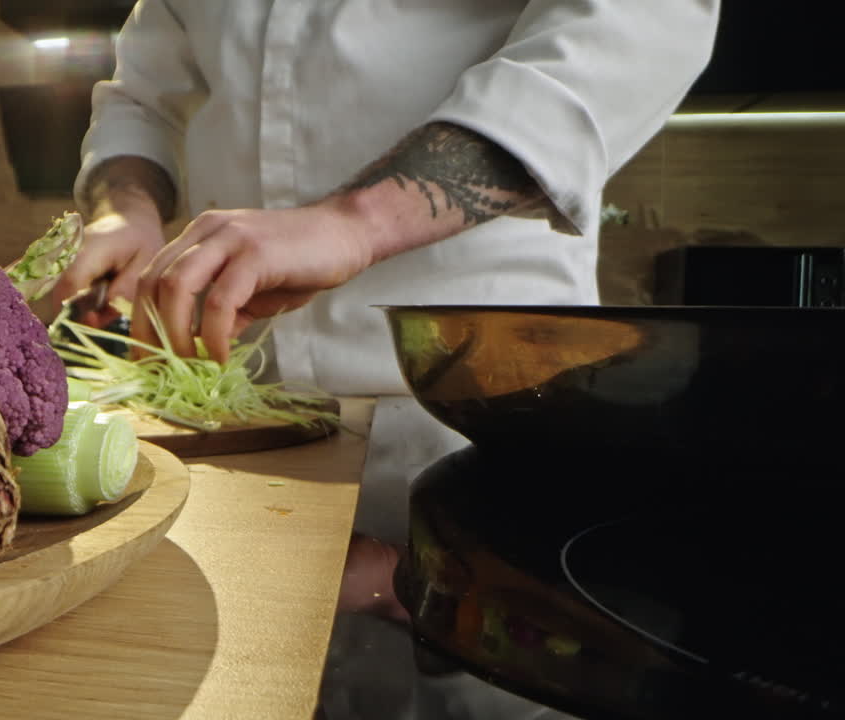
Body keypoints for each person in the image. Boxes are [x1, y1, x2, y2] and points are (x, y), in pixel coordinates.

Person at [52, 2, 721, 718]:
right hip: (245, 428)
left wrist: (358, 221)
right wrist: (126, 208)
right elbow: (141, 97)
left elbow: (636, 19)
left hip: (478, 426)